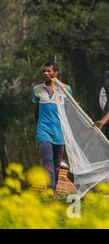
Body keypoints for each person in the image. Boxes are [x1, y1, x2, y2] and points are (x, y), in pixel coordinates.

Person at [32, 61, 72, 190]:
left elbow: (70, 111)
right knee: (47, 159)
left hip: (60, 131)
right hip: (44, 130)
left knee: (57, 162)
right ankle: (50, 189)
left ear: (56, 73)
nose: (45, 73)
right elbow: (36, 111)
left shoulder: (66, 89)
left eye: (48, 71)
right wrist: (38, 127)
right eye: (44, 71)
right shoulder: (37, 89)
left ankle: (53, 189)